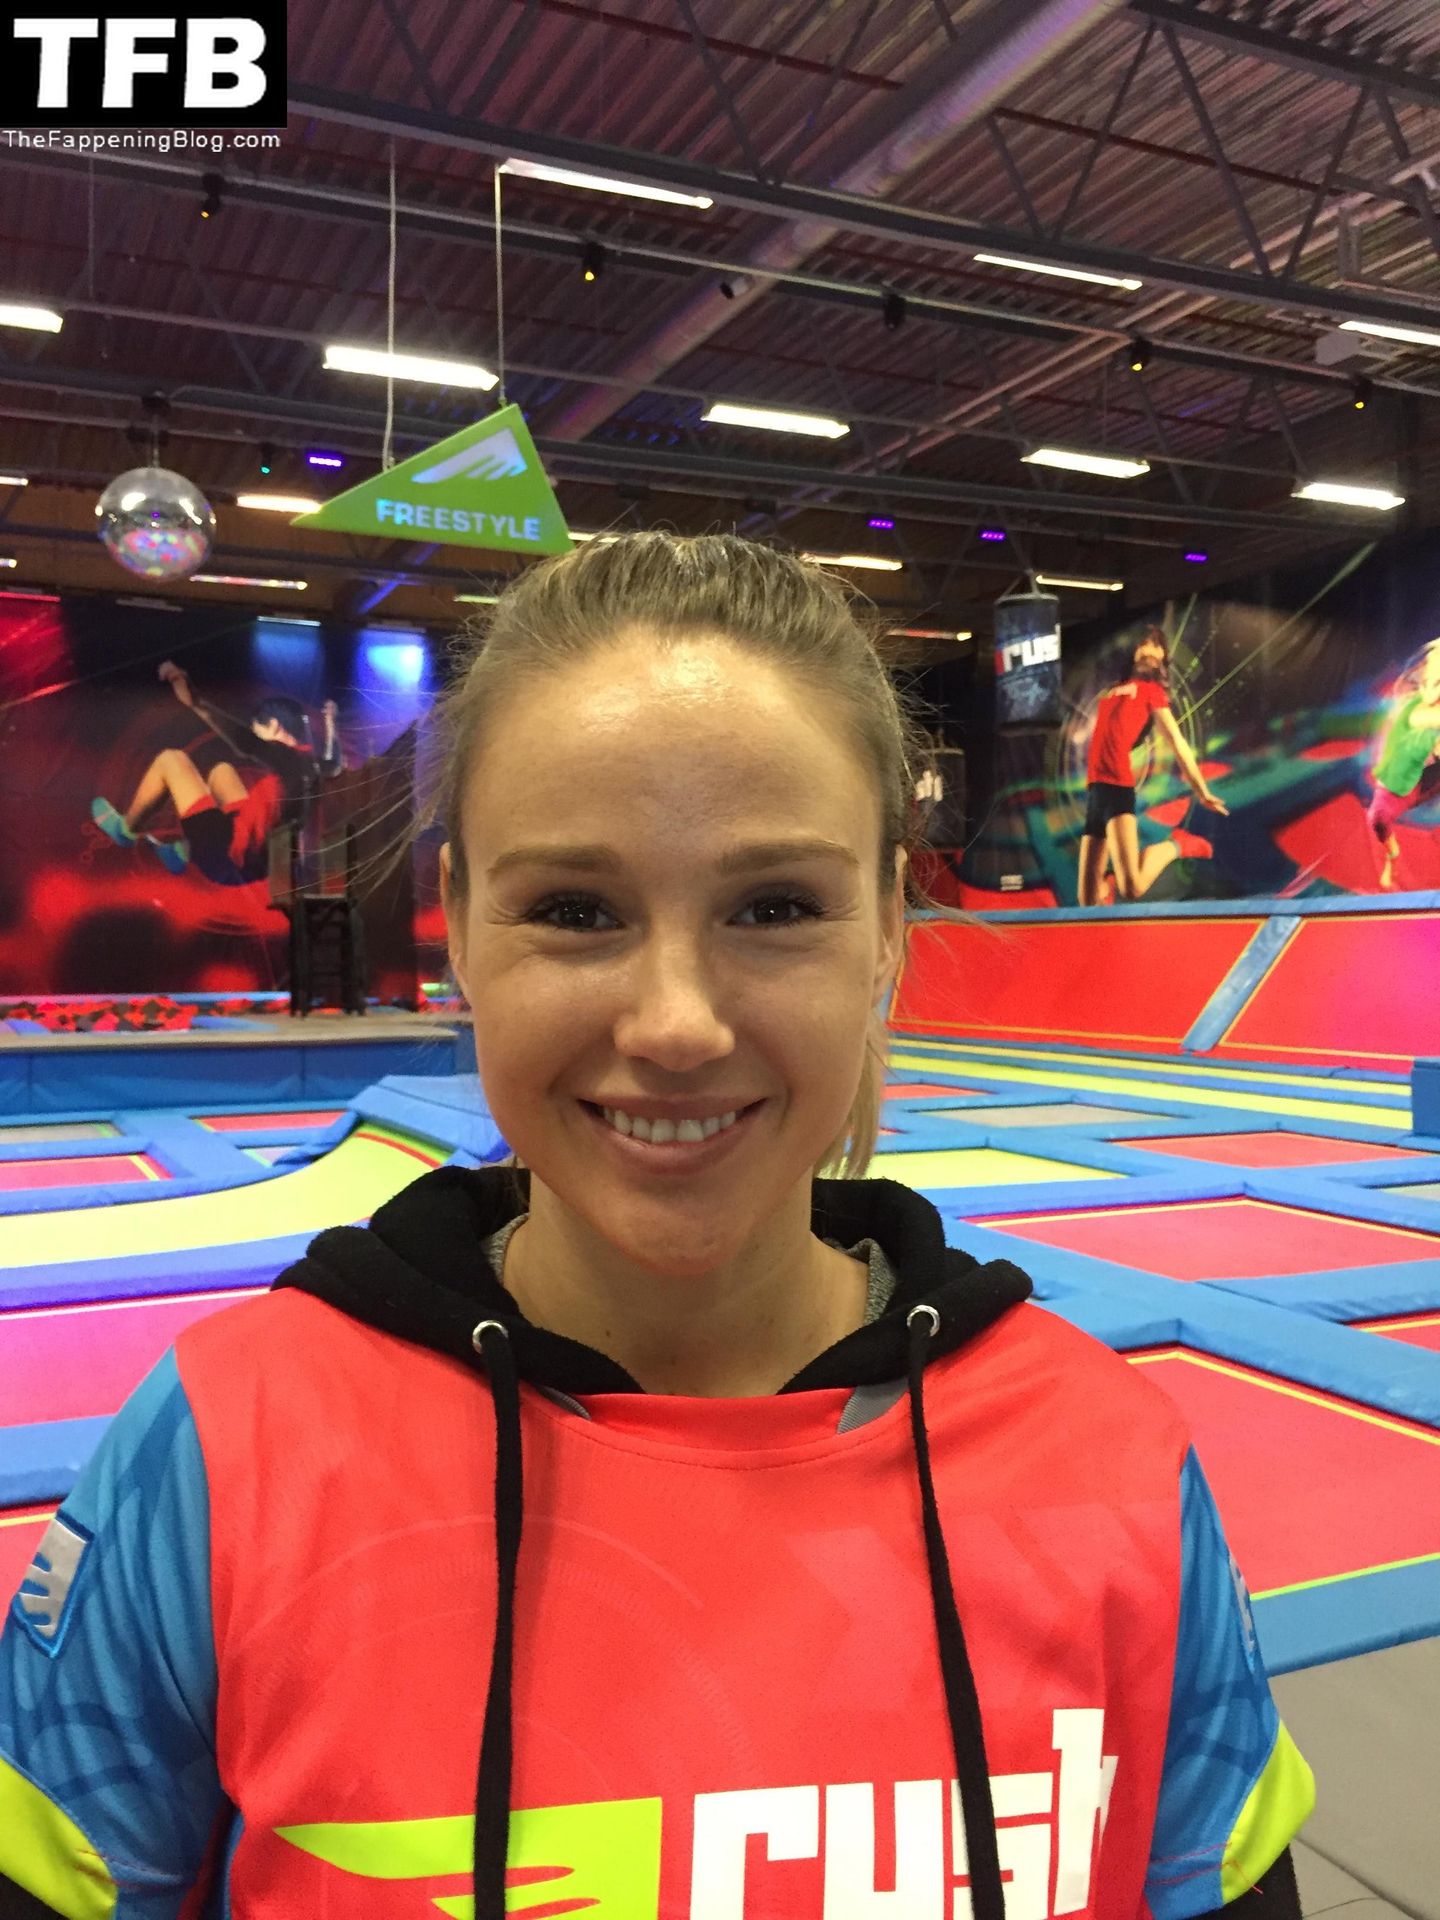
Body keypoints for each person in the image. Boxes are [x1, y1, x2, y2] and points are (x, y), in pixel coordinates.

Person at [2, 535, 1309, 1919]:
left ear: (885, 927)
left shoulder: (1109, 1463)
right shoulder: (227, 1451)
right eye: (576, 910)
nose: (676, 1025)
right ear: (461, 927)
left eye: (775, 907)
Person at [89, 659, 341, 884]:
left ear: (274, 726)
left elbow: (245, 741)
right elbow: (335, 762)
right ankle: (181, 851)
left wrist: (196, 702)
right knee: (222, 772)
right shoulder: (313, 766)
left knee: (171, 760)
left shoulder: (285, 757)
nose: (259, 736)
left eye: (259, 730)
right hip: (260, 862)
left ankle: (126, 829)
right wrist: (330, 723)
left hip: (227, 858)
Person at [1077, 627, 1229, 906]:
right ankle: (1106, 907)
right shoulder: (1110, 692)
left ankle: (1177, 845)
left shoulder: (1152, 692)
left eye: (1156, 646)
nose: (1149, 650)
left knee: (1132, 886)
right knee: (1086, 899)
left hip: (1117, 787)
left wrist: (1202, 791)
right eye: (1144, 644)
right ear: (1134, 652)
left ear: (1162, 658)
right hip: (1095, 791)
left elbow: (1177, 742)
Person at [1367, 636, 1440, 890]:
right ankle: (1393, 857)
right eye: (1434, 684)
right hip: (1401, 783)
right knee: (1377, 819)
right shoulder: (1416, 711)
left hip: (1429, 775)